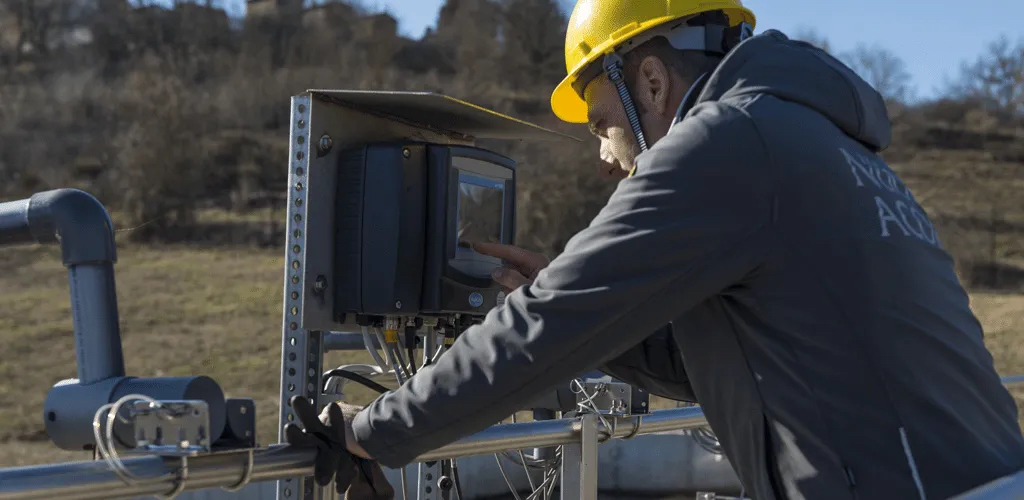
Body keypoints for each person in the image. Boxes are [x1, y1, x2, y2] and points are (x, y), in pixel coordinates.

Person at [287, 0, 1024, 498]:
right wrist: (597, 313)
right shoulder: (829, 148)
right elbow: (741, 362)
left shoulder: (728, 144)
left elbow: (540, 330)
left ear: (648, 77)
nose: (607, 159)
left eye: (603, 123)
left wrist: (371, 432)